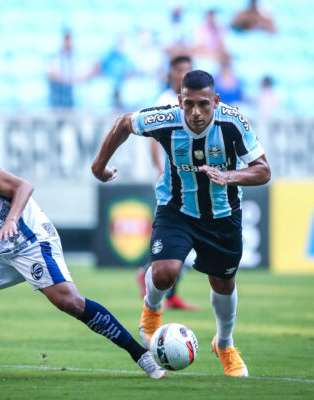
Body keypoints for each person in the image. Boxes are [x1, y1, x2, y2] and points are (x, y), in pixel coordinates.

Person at [0, 140, 166, 379]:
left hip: (31, 238)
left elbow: (23, 186)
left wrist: (11, 220)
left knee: (69, 302)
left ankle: (141, 355)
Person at [91, 70, 271, 377]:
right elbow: (124, 123)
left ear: (216, 101)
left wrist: (229, 176)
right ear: (180, 101)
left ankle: (224, 344)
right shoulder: (165, 120)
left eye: (203, 104)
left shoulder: (233, 122)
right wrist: (99, 166)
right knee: (165, 272)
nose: (196, 113)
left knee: (223, 283)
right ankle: (151, 310)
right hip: (177, 209)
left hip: (223, 215)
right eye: (189, 104)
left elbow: (263, 170)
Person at [139, 55, 199, 311]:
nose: (184, 75)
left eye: (188, 70)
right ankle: (150, 276)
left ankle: (169, 291)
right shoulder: (165, 101)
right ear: (171, 74)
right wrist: (159, 169)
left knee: (186, 240)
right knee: (174, 235)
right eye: (179, 71)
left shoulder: (195, 103)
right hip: (172, 182)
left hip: (191, 182)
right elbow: (154, 139)